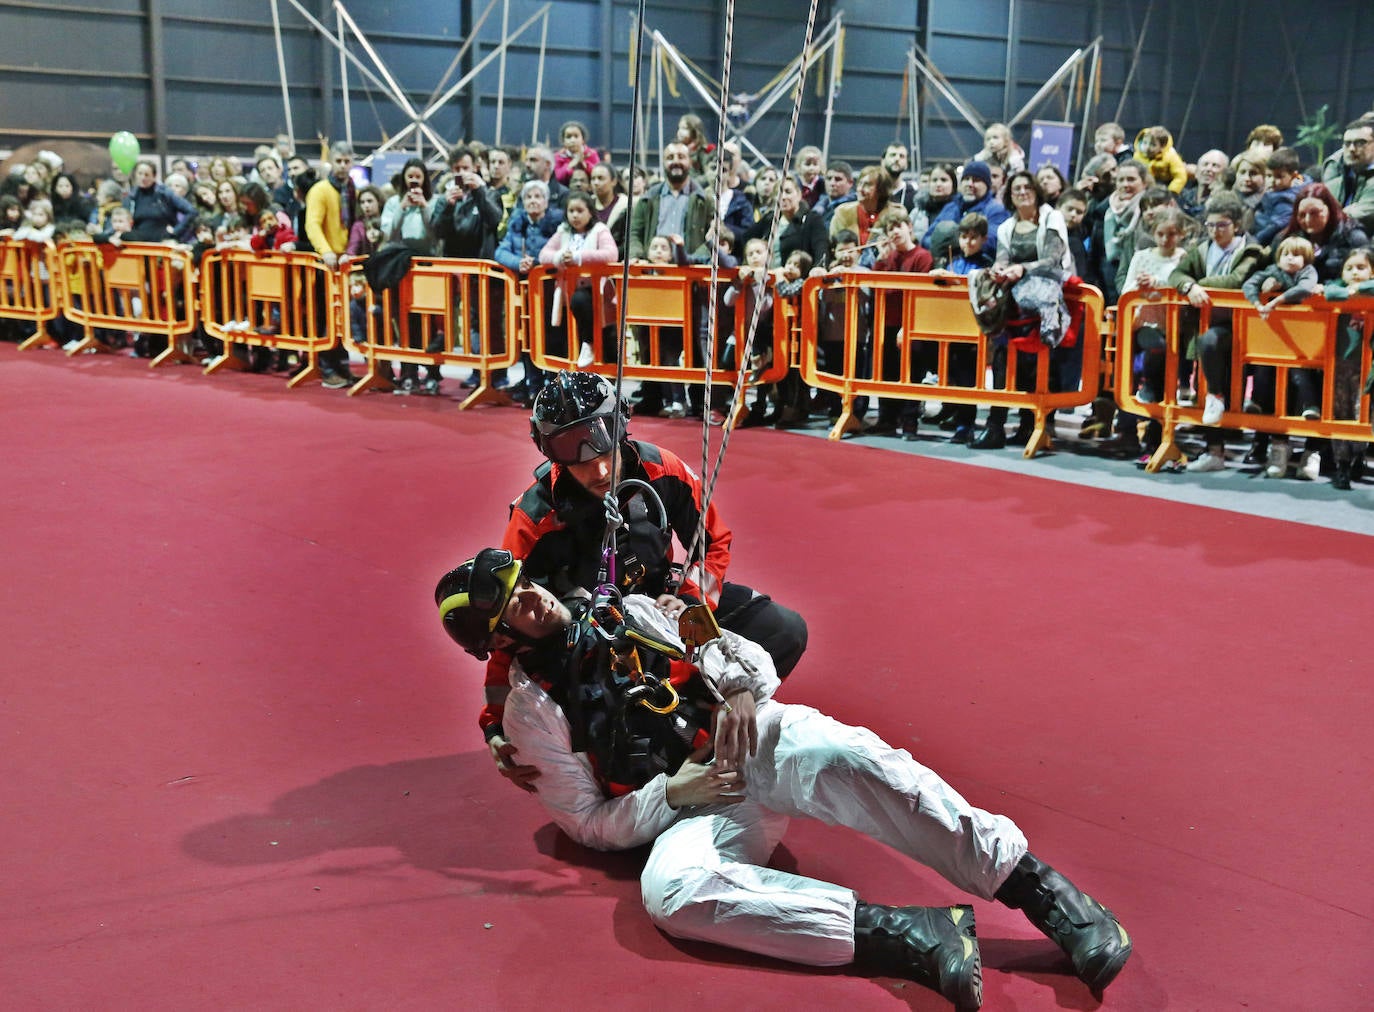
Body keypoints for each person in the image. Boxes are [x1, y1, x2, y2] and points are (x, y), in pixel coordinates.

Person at [434, 547, 1132, 1009]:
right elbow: (585, 820)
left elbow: (737, 651)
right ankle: (916, 936)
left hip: (754, 737)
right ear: (499, 643)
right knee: (670, 895)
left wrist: (738, 689)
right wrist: (676, 794)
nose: (535, 599)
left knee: (856, 760)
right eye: (515, 608)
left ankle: (1051, 899)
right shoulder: (532, 714)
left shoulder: (629, 607)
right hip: (691, 809)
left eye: (526, 585)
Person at [475, 370, 809, 788]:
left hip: (669, 610)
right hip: (596, 642)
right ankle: (656, 757)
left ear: (622, 425)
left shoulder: (663, 469)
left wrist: (691, 599)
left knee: (783, 629)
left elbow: (712, 541)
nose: (597, 468)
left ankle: (708, 722)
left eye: (603, 445)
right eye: (574, 453)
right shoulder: (534, 518)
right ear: (550, 453)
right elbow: (506, 624)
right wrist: (495, 724)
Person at [969, 170, 1074, 450]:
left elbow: (1053, 260)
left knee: (1036, 365)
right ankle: (995, 426)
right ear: (1009, 194)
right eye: (1017, 188)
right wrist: (1000, 270)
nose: (1023, 192)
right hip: (1014, 300)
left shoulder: (1052, 218)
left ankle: (1034, 426)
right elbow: (1003, 259)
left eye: (1028, 186)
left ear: (1037, 190)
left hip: (1045, 300)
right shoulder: (1006, 227)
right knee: (1002, 362)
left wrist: (1022, 268)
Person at [1169, 192, 1270, 474]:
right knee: (1207, 377)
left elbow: (1236, 281)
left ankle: (1264, 448)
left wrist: (1200, 285)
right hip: (1208, 325)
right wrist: (1188, 288)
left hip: (1246, 328)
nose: (1215, 231)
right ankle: (1213, 450)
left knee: (1257, 388)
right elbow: (1176, 274)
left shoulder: (1252, 250)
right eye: (1211, 225)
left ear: (1237, 225)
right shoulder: (1202, 248)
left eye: (1222, 225)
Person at [1243, 235, 1321, 479]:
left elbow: (1304, 289)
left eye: (1297, 254)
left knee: (1300, 377)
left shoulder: (1308, 273)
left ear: (1306, 259)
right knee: (1265, 376)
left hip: (1303, 347)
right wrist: (1258, 302)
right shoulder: (1271, 271)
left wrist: (1276, 300)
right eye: (1286, 253)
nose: (1290, 258)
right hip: (1272, 344)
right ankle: (1275, 444)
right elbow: (1248, 285)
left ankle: (1311, 414)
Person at [301, 140, 359, 387]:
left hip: (345, 263)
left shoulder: (352, 188)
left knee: (342, 318)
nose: (343, 166)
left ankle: (342, 366)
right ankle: (326, 368)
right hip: (325, 263)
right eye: (339, 161)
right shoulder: (320, 190)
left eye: (347, 162)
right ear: (331, 162)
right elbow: (312, 224)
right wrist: (325, 251)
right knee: (325, 317)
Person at [538, 190, 618, 368]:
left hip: (596, 291)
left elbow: (611, 254)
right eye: (571, 211)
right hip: (568, 293)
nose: (575, 215)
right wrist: (559, 257)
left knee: (606, 339)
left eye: (580, 211)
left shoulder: (600, 230)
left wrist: (579, 258)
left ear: (590, 212)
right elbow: (543, 254)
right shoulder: (563, 231)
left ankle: (589, 344)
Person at [1322, 247, 1374, 489]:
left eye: (1361, 268)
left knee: (1362, 415)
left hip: (1367, 368)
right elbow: (1329, 291)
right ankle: (1341, 464)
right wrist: (1348, 291)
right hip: (1340, 364)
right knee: (1339, 413)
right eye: (1349, 268)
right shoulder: (1339, 288)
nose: (1354, 272)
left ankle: (1359, 457)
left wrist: (1360, 290)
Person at [922, 161, 1010, 256]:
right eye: (966, 179)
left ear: (987, 185)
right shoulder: (951, 207)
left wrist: (950, 241)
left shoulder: (996, 210)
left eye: (976, 180)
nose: (970, 184)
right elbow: (927, 239)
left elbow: (990, 242)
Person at [1320, 117, 1374, 233]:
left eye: (1360, 143)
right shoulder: (1336, 174)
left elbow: (1362, 214)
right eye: (1347, 143)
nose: (1352, 149)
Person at [1132, 126, 1187, 193]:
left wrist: (1171, 192)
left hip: (1165, 186)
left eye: (1153, 145)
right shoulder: (1137, 155)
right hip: (1143, 187)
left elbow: (1180, 176)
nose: (1147, 147)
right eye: (1145, 143)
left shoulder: (1171, 157)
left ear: (1162, 146)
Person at [552, 120, 600, 185]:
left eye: (576, 136)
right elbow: (558, 178)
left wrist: (584, 164)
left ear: (583, 139)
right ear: (563, 141)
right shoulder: (558, 157)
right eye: (568, 137)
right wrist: (572, 164)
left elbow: (598, 174)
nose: (572, 140)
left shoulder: (591, 154)